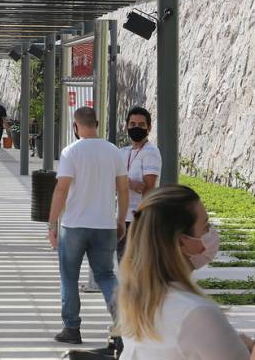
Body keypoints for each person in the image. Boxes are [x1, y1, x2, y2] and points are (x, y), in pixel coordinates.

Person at [118, 185, 255, 360]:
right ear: (182, 242)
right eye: (205, 226)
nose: (211, 233)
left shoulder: (136, 300)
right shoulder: (197, 313)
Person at [47, 106, 129, 345]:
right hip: (105, 225)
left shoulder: (71, 152)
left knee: (69, 277)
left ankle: (71, 328)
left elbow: (61, 189)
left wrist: (52, 224)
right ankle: (122, 323)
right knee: (106, 275)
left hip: (74, 226)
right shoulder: (114, 151)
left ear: (75, 125)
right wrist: (121, 220)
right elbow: (123, 190)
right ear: (97, 123)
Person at [118, 106, 162, 262]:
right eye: (132, 124)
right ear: (127, 126)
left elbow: (148, 187)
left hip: (138, 218)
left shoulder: (150, 152)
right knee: (124, 266)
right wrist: (130, 183)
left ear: (149, 128)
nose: (136, 128)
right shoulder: (123, 152)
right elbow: (111, 179)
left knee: (134, 266)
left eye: (141, 125)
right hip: (123, 217)